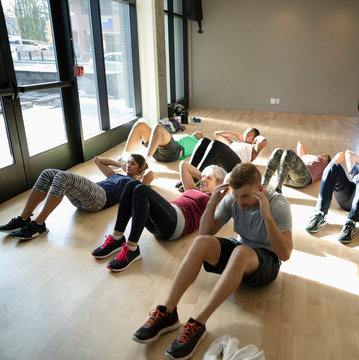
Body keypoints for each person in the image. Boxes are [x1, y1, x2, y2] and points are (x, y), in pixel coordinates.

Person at [131, 163, 292, 360]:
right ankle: (168, 312)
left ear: (259, 190)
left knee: (241, 251)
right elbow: (205, 233)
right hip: (239, 252)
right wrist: (212, 203)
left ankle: (197, 323)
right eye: (236, 196)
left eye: (245, 197)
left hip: (266, 261)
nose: (240, 202)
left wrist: (267, 216)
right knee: (200, 243)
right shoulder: (234, 199)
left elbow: (284, 254)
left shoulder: (278, 205)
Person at [91, 164, 227, 272]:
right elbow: (184, 165)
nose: (203, 179)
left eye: (208, 178)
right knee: (131, 184)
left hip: (176, 224)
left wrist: (217, 186)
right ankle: (117, 238)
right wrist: (206, 176)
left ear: (219, 183)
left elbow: (229, 184)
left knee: (141, 190)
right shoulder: (192, 189)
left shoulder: (214, 201)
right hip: (163, 219)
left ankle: (132, 249)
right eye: (202, 177)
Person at [0, 155, 153, 240]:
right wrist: (121, 165)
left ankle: (39, 224)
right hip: (87, 196)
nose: (129, 165)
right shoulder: (114, 174)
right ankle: (23, 219)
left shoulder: (135, 184)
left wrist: (143, 173)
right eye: (129, 162)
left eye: (133, 164)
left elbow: (149, 178)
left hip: (100, 198)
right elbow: (98, 159)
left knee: (63, 176)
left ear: (140, 168)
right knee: (48, 173)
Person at [175, 127, 267, 192]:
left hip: (235, 166)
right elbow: (217, 134)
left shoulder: (253, 148)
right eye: (246, 131)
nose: (247, 133)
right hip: (224, 162)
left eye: (250, 133)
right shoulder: (233, 143)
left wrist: (256, 138)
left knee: (216, 144)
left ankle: (196, 179)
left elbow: (263, 142)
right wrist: (235, 134)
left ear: (254, 138)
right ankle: (189, 175)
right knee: (204, 141)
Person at [118, 119, 204, 163]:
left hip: (173, 152)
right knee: (140, 124)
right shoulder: (189, 136)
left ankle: (144, 163)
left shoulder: (199, 143)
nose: (198, 132)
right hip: (156, 149)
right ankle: (124, 158)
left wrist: (201, 138)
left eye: (199, 134)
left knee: (158, 127)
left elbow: (210, 147)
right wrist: (194, 135)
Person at [262, 140, 330, 193]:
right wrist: (308, 154)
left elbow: (335, 162)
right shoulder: (306, 156)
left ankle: (278, 189)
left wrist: (327, 161)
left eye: (325, 156)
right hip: (287, 175)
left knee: (289, 152)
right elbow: (300, 144)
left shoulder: (325, 165)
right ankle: (263, 185)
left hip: (304, 178)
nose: (322, 155)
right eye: (321, 154)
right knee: (278, 151)